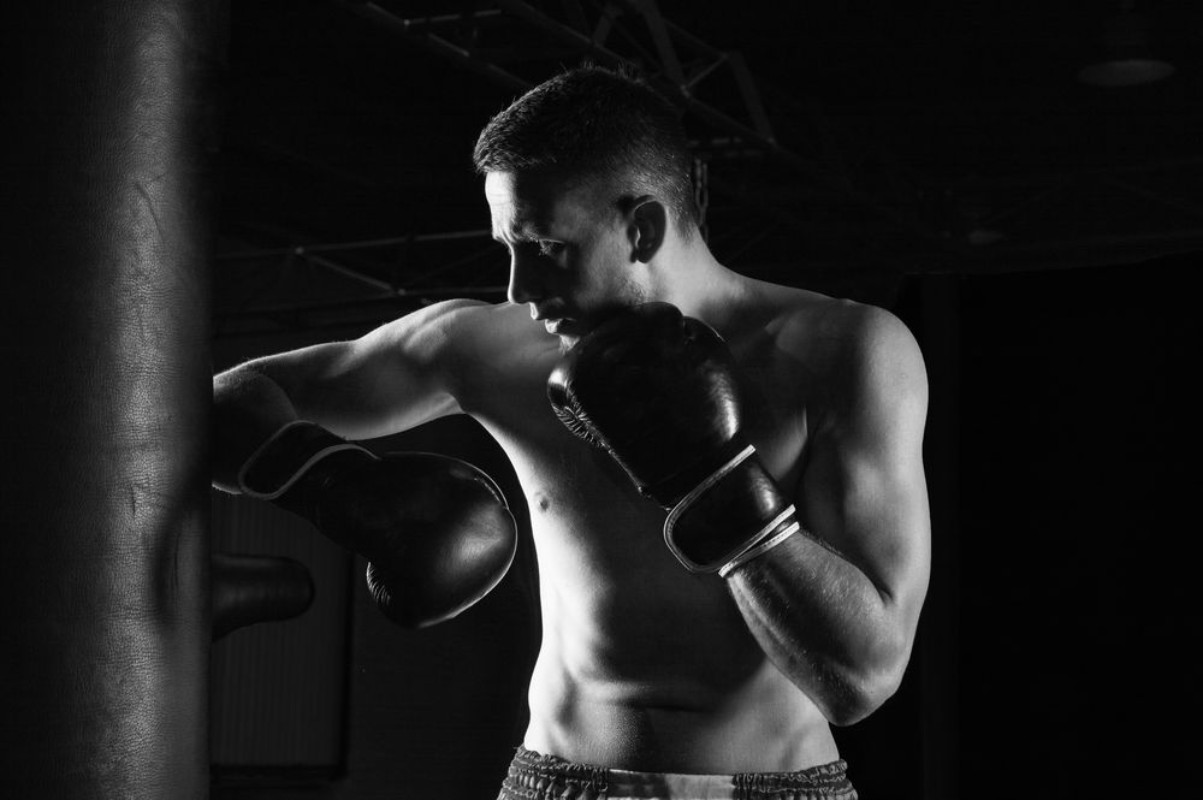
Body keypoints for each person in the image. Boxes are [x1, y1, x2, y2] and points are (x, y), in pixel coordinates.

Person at [212, 64, 931, 800]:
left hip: (778, 787)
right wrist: (322, 477)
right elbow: (225, 399)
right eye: (506, 247)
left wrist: (717, 484)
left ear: (641, 228)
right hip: (556, 782)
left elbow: (862, 680)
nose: (519, 288)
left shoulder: (838, 351)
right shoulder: (484, 347)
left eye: (547, 246)